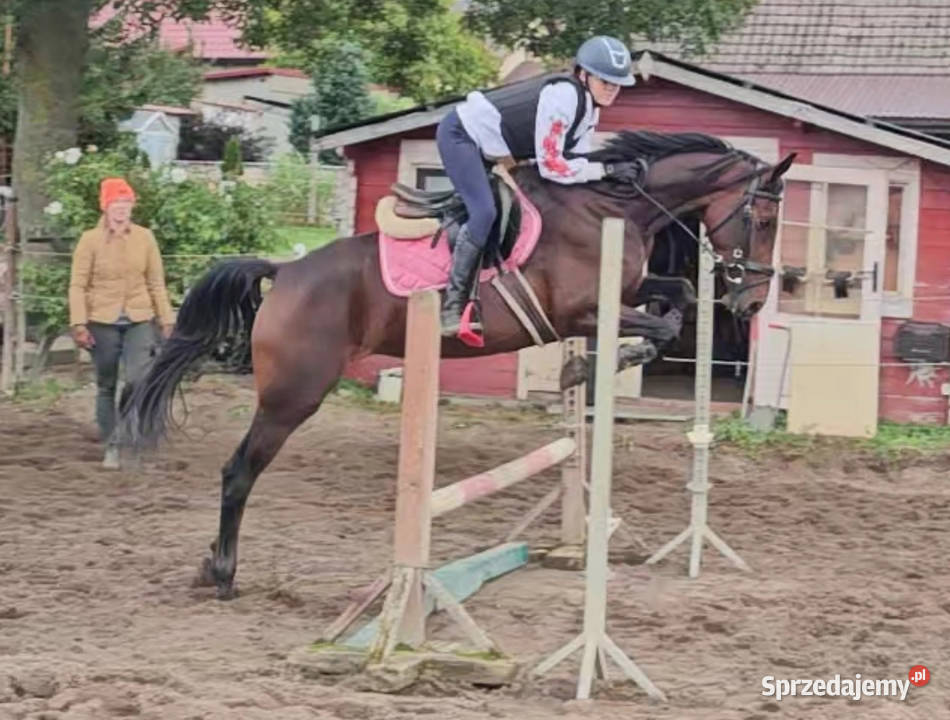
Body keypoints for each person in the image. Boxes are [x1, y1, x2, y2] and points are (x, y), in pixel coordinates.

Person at [435, 35, 644, 337]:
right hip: (461, 137)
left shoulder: (590, 109)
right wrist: (607, 169)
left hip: (498, 149)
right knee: (483, 213)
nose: (612, 89)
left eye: (617, 84)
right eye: (605, 81)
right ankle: (452, 308)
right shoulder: (564, 99)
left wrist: (609, 172)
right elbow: (554, 166)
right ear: (583, 74)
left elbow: (577, 159)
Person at [68, 177, 175, 469]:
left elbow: (156, 282)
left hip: (139, 318)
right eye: (116, 203)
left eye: (126, 203)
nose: (121, 209)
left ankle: (130, 431)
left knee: (138, 379)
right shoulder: (89, 240)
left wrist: (167, 319)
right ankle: (112, 444)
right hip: (101, 320)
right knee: (106, 384)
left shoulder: (145, 238)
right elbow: (77, 285)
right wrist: (79, 323)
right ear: (105, 206)